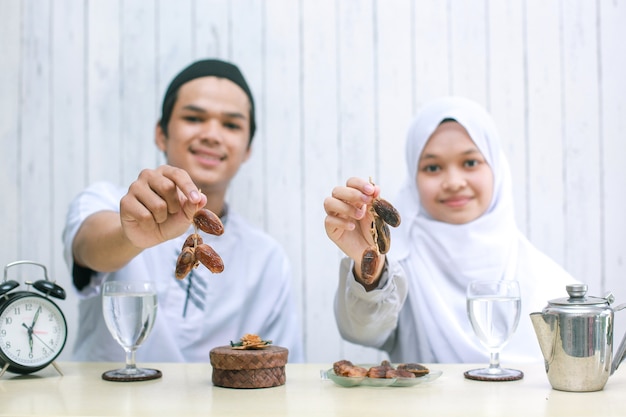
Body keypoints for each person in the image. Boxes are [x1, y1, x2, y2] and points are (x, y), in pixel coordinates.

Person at [63, 59, 303, 363]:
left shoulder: (267, 258)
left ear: (248, 149)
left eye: (231, 125)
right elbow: (89, 247)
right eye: (194, 118)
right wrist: (131, 236)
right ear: (161, 133)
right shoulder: (106, 202)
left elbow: (280, 368)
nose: (212, 135)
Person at [323, 96, 575, 363]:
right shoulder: (399, 267)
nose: (454, 182)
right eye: (433, 167)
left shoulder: (552, 285)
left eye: (470, 163)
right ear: (414, 178)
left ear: (497, 170)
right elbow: (362, 331)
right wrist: (369, 267)